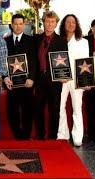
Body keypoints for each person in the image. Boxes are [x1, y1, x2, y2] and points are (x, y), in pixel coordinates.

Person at [33, 11, 67, 140]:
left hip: (55, 80)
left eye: (53, 21)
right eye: (47, 21)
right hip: (39, 79)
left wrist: (63, 75)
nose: (50, 24)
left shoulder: (61, 41)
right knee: (38, 109)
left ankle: (53, 137)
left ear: (56, 23)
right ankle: (40, 135)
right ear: (43, 22)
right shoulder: (36, 39)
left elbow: (64, 60)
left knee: (54, 109)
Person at [56, 14, 89, 147]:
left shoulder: (83, 41)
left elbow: (85, 63)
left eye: (73, 22)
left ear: (77, 25)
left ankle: (77, 136)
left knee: (77, 107)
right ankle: (63, 134)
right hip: (62, 79)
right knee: (60, 107)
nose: (70, 24)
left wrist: (86, 81)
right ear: (64, 24)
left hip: (77, 79)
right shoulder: (58, 40)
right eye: (68, 22)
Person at [4, 14, 37, 140]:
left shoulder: (31, 40)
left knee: (27, 111)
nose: (18, 26)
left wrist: (32, 78)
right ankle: (17, 136)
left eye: (20, 23)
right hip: (11, 83)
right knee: (12, 112)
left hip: (26, 83)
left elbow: (34, 60)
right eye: (15, 24)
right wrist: (5, 77)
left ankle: (26, 137)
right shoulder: (5, 41)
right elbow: (2, 61)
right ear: (12, 25)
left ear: (24, 25)